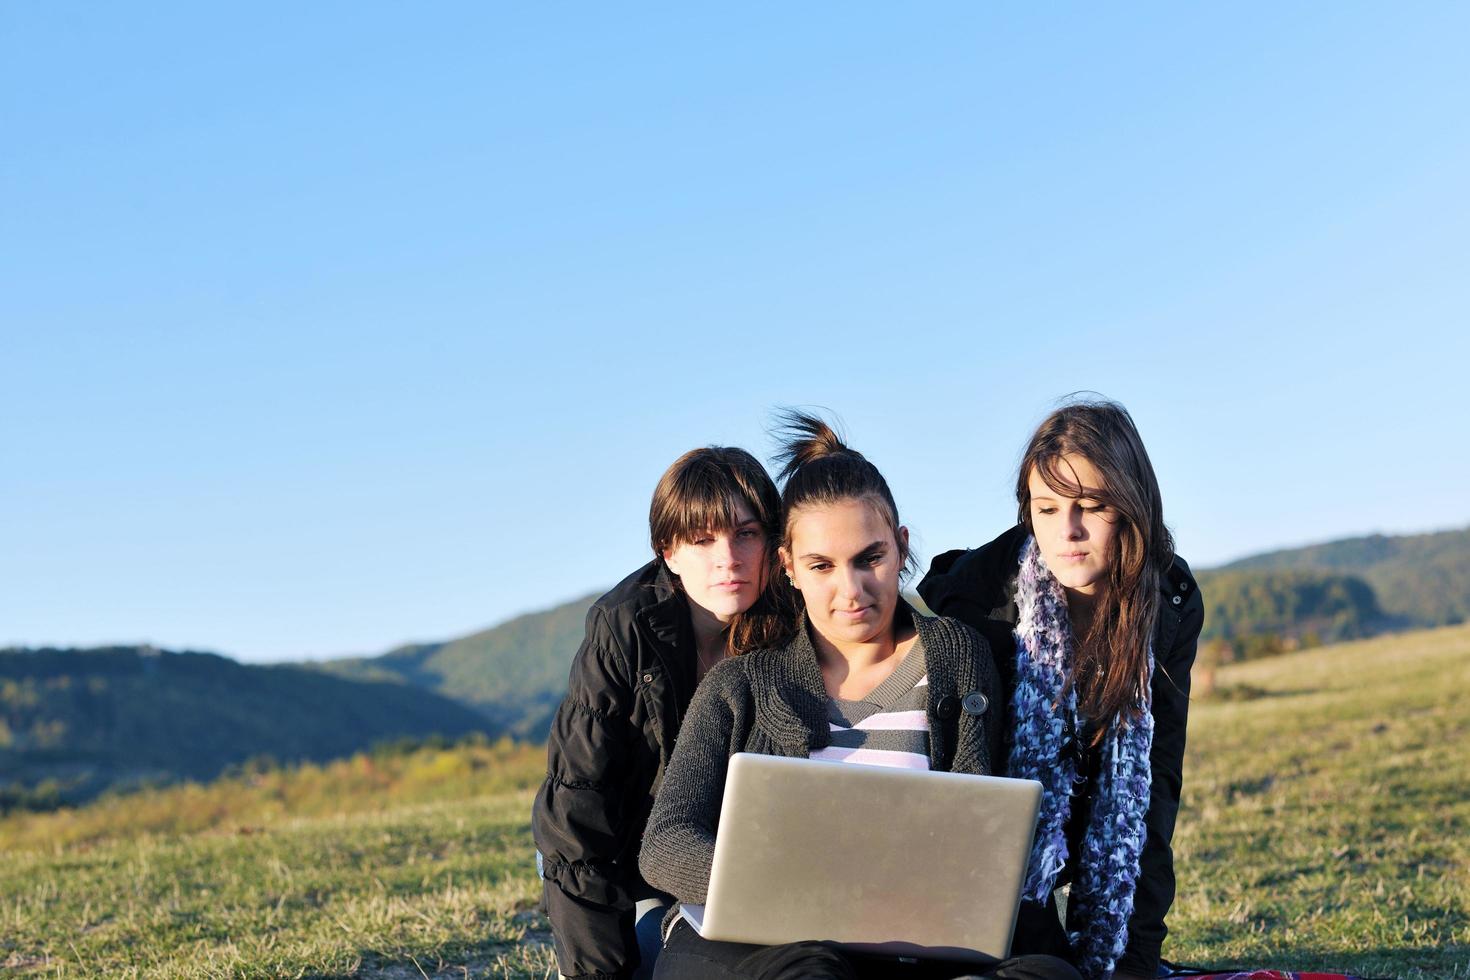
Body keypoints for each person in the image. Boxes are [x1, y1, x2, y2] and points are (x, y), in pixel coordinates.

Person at [638, 411, 1080, 980]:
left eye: (870, 558)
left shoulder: (959, 661)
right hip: (756, 946)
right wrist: (793, 885)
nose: (851, 590)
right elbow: (667, 842)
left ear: (900, 548)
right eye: (821, 566)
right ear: (788, 568)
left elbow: (973, 831)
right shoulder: (739, 685)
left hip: (908, 940)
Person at [917, 398, 1205, 980]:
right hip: (984, 864)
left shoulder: (1167, 602)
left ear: (1131, 507)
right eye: (1046, 509)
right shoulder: (982, 610)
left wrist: (1136, 957)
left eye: (1091, 506)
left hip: (1088, 832)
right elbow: (974, 802)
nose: (1067, 531)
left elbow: (1154, 792)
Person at [533, 446, 793, 980]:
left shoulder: (797, 621)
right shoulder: (622, 627)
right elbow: (578, 814)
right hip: (633, 861)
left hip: (745, 867)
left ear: (772, 540)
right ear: (667, 551)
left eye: (746, 533)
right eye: (702, 539)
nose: (728, 557)